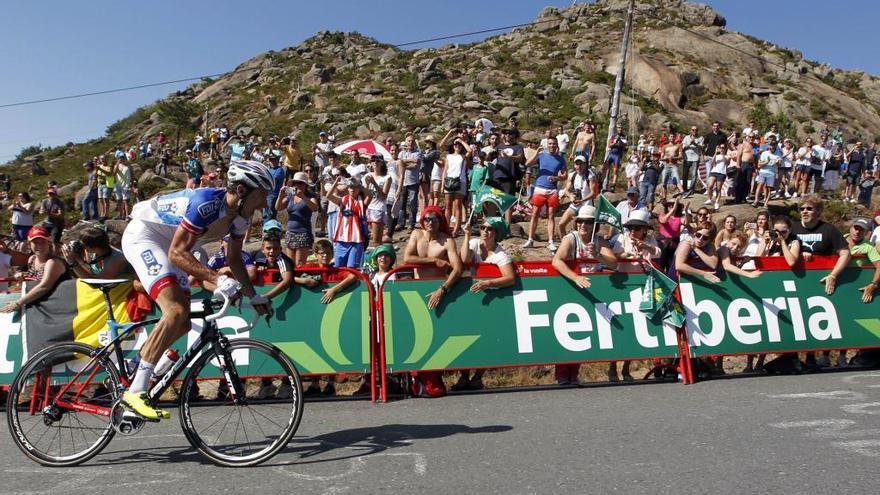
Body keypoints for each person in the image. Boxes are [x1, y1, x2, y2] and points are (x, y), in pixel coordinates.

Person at [118, 160, 275, 420]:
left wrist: (253, 295)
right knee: (176, 311)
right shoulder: (207, 203)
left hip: (174, 246)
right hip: (145, 236)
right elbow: (178, 253)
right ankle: (135, 392)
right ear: (242, 190)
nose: (264, 203)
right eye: (262, 195)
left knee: (182, 324)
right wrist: (217, 278)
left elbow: (235, 259)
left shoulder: (241, 218)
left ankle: (138, 364)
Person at [551, 205, 618, 384]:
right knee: (569, 331)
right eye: (580, 221)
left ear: (593, 224)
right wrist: (575, 277)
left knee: (584, 333)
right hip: (572, 289)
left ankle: (574, 373)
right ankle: (562, 373)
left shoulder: (598, 241)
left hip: (592, 289)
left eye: (588, 222)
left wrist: (598, 256)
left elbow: (614, 264)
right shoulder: (570, 239)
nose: (583, 225)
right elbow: (556, 261)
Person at [403, 205, 463, 398]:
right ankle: (416, 378)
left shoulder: (447, 241)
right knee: (417, 336)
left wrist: (443, 289)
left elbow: (457, 268)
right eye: (427, 219)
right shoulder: (416, 235)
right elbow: (407, 257)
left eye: (434, 219)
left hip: (438, 291)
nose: (430, 222)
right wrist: (434, 261)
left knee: (436, 337)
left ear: (440, 221)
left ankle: (433, 379)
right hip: (417, 291)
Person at [453, 216, 516, 391]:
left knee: (484, 339)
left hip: (490, 299)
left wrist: (488, 283)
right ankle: (463, 377)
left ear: (496, 233)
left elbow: (510, 278)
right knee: (464, 338)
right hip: (470, 296)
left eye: (489, 229)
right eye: (482, 228)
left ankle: (478, 377)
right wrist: (466, 235)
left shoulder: (501, 255)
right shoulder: (474, 243)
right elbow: (465, 259)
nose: (485, 232)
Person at [0, 227, 70, 313]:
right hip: (44, 299)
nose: (39, 246)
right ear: (29, 245)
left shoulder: (53, 262)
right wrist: (22, 275)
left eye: (43, 242)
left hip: (59, 302)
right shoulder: (32, 259)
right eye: (35, 243)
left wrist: (18, 303)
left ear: (49, 243)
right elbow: (34, 279)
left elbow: (44, 286)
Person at [522, 136, 567, 252]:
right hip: (539, 188)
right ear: (547, 145)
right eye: (550, 144)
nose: (552, 146)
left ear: (557, 145)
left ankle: (551, 241)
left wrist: (557, 177)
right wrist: (536, 152)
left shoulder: (560, 159)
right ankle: (530, 239)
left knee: (551, 216)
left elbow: (565, 175)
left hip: (552, 190)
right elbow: (527, 163)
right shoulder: (541, 156)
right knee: (535, 214)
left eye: (554, 144)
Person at [276, 172, 318, 266]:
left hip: (303, 233)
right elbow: (278, 207)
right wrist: (280, 194)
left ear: (305, 185)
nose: (297, 185)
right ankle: (292, 280)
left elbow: (315, 208)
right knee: (290, 264)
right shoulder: (290, 196)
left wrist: (302, 196)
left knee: (300, 264)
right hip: (290, 232)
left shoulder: (310, 196)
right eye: (295, 183)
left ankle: (300, 280)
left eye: (300, 183)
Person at [326, 177, 368, 269]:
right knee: (339, 267)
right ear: (347, 188)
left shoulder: (362, 202)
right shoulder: (343, 200)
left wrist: (359, 184)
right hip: (342, 239)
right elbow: (328, 196)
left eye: (355, 187)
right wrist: (336, 182)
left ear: (359, 189)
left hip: (356, 240)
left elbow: (370, 196)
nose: (352, 189)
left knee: (351, 268)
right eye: (350, 187)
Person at [63, 227, 133, 280]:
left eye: (83, 245)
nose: (82, 247)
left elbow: (96, 282)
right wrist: (78, 258)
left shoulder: (118, 259)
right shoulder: (93, 252)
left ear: (94, 247)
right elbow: (90, 272)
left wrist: (72, 263)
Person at [557, 155, 598, 239]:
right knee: (561, 224)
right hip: (575, 204)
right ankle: (565, 245)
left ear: (586, 165)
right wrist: (570, 197)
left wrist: (582, 200)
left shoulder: (590, 176)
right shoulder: (572, 175)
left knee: (578, 229)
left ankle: (580, 246)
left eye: (581, 164)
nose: (579, 166)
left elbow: (593, 193)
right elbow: (566, 190)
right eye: (577, 164)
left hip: (586, 205)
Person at [247, 233, 295, 300]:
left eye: (275, 248)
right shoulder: (256, 256)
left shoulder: (283, 260)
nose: (272, 251)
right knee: (252, 271)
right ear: (262, 249)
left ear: (280, 249)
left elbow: (287, 280)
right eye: (268, 248)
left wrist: (265, 297)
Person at [440, 139, 471, 236]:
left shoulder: (463, 157)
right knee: (448, 205)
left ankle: (456, 229)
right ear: (453, 146)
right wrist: (442, 184)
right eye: (455, 144)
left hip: (460, 181)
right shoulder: (448, 156)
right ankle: (446, 226)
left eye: (459, 145)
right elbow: (445, 170)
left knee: (458, 206)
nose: (457, 146)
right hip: (449, 181)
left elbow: (470, 150)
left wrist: (461, 141)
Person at [753, 136, 780, 208]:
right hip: (763, 171)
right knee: (760, 185)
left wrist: (777, 162)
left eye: (774, 145)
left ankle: (766, 203)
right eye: (771, 145)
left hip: (772, 173)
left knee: (769, 188)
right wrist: (766, 162)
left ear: (776, 146)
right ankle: (756, 201)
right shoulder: (764, 153)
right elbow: (759, 165)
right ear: (769, 145)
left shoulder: (778, 154)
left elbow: (779, 164)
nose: (772, 147)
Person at [38, 187, 65, 251]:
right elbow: (41, 211)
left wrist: (49, 213)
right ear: (47, 194)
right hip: (47, 222)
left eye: (52, 193)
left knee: (55, 241)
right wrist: (42, 212)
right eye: (49, 193)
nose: (51, 195)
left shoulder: (59, 203)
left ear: (55, 194)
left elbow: (61, 215)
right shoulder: (45, 201)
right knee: (42, 237)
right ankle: (45, 252)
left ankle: (55, 256)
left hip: (57, 224)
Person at [704, 142, 728, 211]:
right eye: (721, 148)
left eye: (723, 148)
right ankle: (709, 199)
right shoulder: (717, 156)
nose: (721, 149)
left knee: (718, 189)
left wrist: (722, 154)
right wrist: (715, 152)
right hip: (714, 171)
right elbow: (713, 163)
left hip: (721, 173)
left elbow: (726, 161)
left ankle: (717, 202)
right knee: (710, 186)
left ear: (725, 149)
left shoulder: (727, 156)